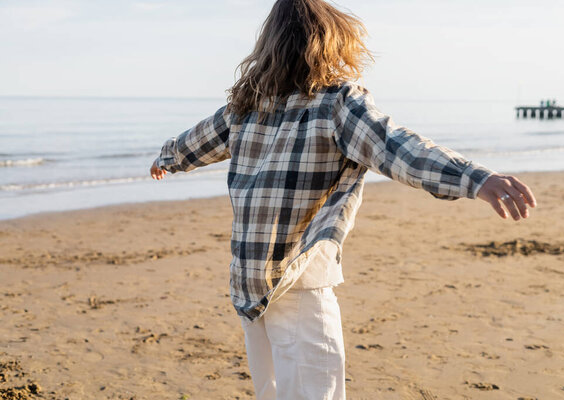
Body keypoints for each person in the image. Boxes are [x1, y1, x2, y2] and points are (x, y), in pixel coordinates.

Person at [150, 0, 537, 398]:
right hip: (299, 277)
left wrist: (166, 158)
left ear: (269, 45)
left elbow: (193, 143)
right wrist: (475, 177)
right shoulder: (335, 104)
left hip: (248, 279)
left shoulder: (245, 109)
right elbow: (397, 148)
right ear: (332, 44)